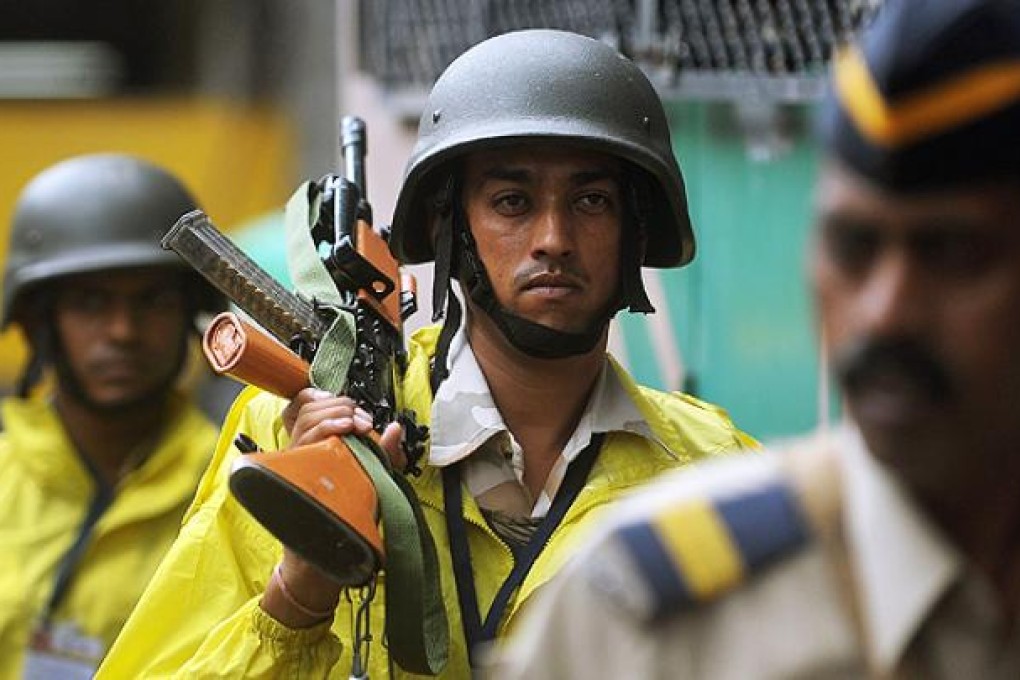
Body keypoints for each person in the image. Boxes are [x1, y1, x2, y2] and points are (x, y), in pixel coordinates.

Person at [97, 29, 755, 678]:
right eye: (511, 202)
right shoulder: (294, 443)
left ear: (636, 232)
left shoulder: (710, 471)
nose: (553, 237)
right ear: (450, 228)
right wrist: (297, 598)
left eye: (591, 201)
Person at [489, 1, 1020, 678]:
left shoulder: (695, 472)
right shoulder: (654, 619)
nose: (887, 314)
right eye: (853, 248)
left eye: (952, 253)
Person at [0, 154, 225, 678]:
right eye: (90, 303)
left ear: (191, 315)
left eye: (152, 301)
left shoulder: (237, 485)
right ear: (38, 324)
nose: (123, 331)